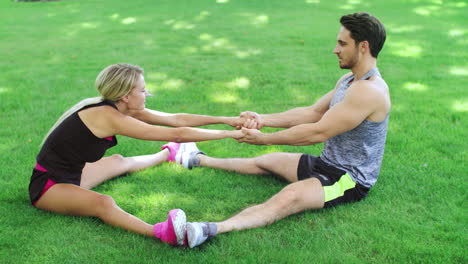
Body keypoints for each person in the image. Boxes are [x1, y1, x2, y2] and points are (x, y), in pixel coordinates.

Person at [179, 12, 390, 248]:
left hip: (347, 179)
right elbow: (312, 113)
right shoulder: (348, 81)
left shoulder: (369, 91)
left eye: (342, 43)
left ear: (363, 46)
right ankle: (198, 160)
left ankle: (209, 229)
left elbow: (317, 132)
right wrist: (262, 119)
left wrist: (264, 138)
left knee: (289, 197)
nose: (335, 49)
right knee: (267, 162)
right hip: (325, 162)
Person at [29, 63, 246, 246]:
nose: (147, 93)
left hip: (75, 174)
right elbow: (178, 133)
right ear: (124, 96)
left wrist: (226, 120)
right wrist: (230, 134)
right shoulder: (107, 116)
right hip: (49, 186)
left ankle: (169, 154)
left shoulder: (121, 108)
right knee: (103, 203)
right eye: (142, 90)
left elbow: (176, 120)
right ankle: (161, 233)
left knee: (118, 161)